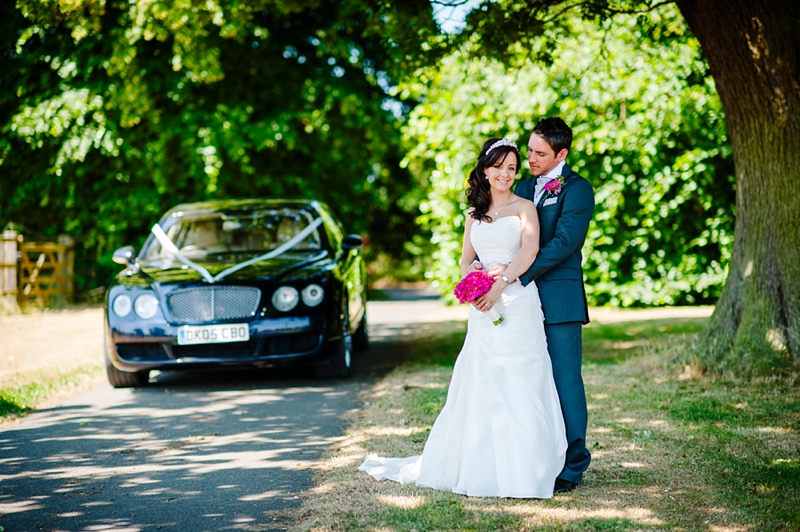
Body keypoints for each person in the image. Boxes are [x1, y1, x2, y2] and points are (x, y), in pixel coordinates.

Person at [359, 138, 567, 498]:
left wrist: (499, 285)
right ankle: (482, 466)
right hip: (483, 309)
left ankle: (528, 471)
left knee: (524, 377)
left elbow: (531, 250)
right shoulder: (473, 213)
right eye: (499, 166)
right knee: (483, 379)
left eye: (512, 168)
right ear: (485, 169)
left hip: (516, 301)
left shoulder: (525, 208)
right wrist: (472, 282)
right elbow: (465, 258)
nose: (506, 173)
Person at [478, 117, 594, 493]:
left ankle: (573, 466)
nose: (529, 158)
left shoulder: (578, 190)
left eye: (539, 153)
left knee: (564, 382)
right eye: (528, 150)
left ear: (562, 154)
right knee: (524, 380)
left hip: (558, 299)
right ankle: (533, 457)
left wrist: (514, 272)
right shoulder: (522, 186)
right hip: (519, 303)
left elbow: (564, 244)